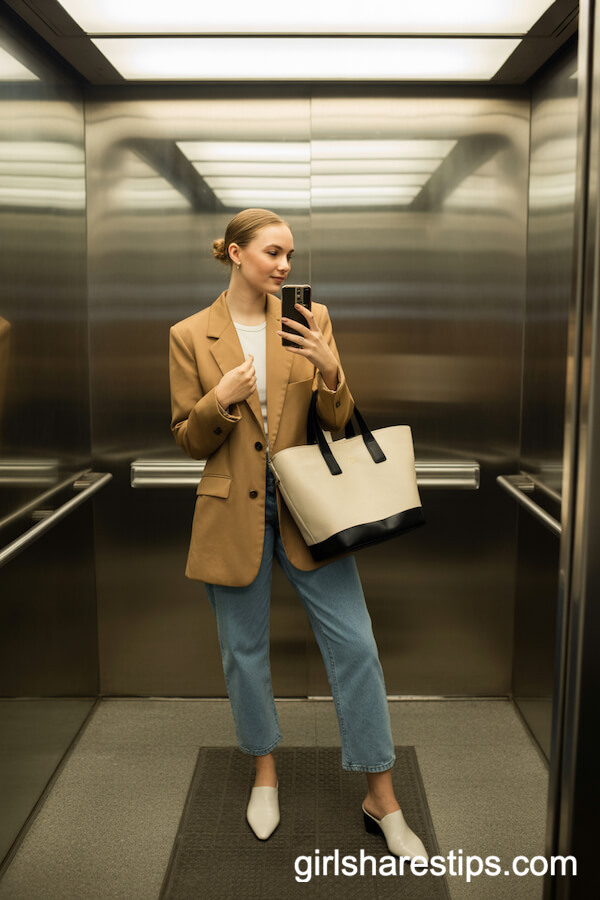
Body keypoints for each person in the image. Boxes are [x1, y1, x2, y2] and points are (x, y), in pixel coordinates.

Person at [169, 208, 427, 860]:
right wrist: (220, 399)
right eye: (273, 252)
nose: (285, 265)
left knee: (358, 648)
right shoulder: (190, 335)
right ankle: (264, 773)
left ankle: (382, 797)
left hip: (311, 511)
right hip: (232, 514)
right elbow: (188, 437)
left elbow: (336, 419)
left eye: (290, 254)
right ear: (234, 252)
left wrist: (333, 370)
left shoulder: (308, 317)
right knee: (244, 654)